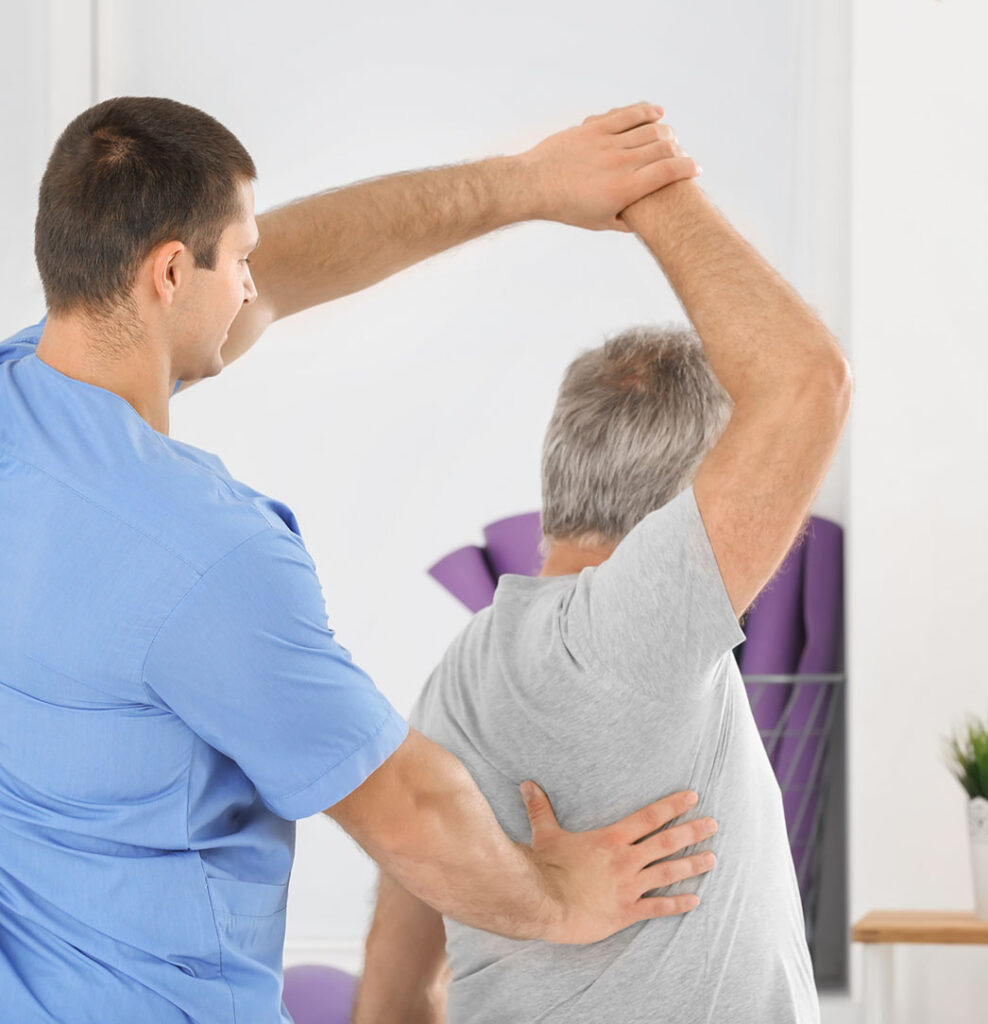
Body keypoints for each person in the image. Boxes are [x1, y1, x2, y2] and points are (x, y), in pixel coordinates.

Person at [0, 97, 717, 1023]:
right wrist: (558, 898)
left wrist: (530, 183)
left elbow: (288, 266)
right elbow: (407, 807)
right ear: (170, 271)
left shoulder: (22, 407)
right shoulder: (208, 555)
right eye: (240, 259)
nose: (253, 287)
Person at [354, 168, 852, 1023]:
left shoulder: (461, 671)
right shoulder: (636, 627)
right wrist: (653, 185)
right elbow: (810, 382)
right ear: (689, 504)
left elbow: (393, 990)